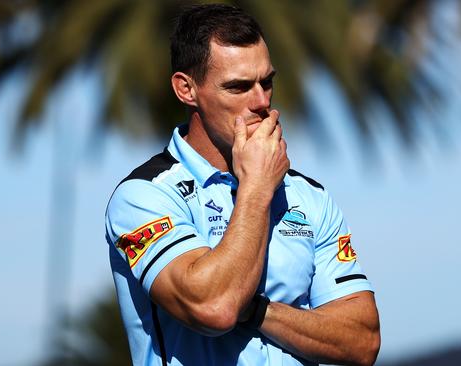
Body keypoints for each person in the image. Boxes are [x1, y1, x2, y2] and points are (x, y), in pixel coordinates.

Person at [105, 4, 380, 365]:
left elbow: (362, 341)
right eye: (238, 87)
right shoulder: (144, 195)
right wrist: (257, 189)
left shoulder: (308, 197)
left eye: (267, 82)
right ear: (187, 89)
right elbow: (214, 307)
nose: (262, 102)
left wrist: (258, 311)